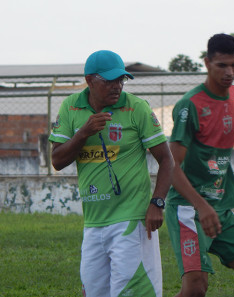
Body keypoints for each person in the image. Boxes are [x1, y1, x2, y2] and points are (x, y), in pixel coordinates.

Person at [48, 50, 174, 297]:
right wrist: (83, 133)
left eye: (121, 80)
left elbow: (167, 160)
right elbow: (57, 160)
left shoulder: (136, 108)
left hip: (132, 221)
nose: (117, 86)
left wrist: (157, 203)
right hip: (93, 223)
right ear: (89, 81)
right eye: (109, 81)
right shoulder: (70, 107)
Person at [165, 34, 234, 297]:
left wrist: (230, 191)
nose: (230, 72)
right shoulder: (189, 105)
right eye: (222, 66)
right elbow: (171, 166)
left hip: (220, 207)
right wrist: (202, 206)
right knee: (195, 288)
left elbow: (218, 151)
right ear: (207, 63)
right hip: (188, 209)